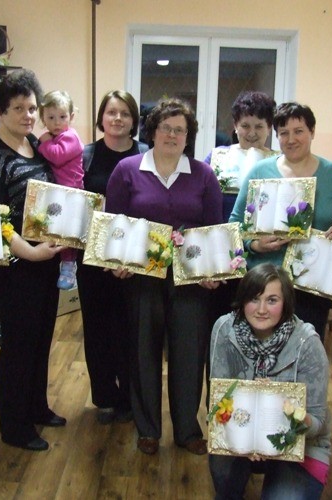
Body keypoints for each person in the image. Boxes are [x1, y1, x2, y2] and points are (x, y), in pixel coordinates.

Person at [105, 97, 223, 455]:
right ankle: (148, 429)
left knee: (189, 351)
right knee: (143, 350)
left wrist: (213, 270)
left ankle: (187, 430)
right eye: (166, 128)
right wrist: (116, 260)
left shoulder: (204, 175)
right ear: (152, 131)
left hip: (190, 279)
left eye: (180, 130)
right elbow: (113, 225)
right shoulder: (126, 170)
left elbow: (215, 229)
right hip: (142, 277)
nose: (172, 135)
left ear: (188, 136)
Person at [0, 69, 66, 452]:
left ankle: (36, 407)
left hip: (44, 260)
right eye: (18, 109)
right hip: (17, 265)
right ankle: (15, 426)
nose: (28, 116)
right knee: (18, 346)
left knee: (41, 338)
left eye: (31, 108)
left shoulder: (32, 144)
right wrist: (29, 251)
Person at [229, 102, 332, 340]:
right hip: (263, 281)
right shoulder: (259, 172)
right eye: (283, 133)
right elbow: (236, 221)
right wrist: (254, 245)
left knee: (305, 345)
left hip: (312, 281)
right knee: (261, 346)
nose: (291, 139)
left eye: (298, 131)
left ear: (312, 132)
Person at [209, 263, 331, 499]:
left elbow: (317, 423)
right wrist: (249, 440)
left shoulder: (307, 342)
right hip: (241, 430)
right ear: (243, 300)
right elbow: (219, 402)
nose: (262, 309)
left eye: (272, 300)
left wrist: (292, 414)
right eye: (254, 299)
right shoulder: (224, 329)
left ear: (286, 303)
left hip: (300, 444)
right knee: (224, 478)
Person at [78, 90, 148, 425]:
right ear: (101, 118)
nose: (117, 118)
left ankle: (130, 398)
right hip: (93, 257)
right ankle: (104, 396)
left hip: (134, 258)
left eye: (124, 113)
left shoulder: (145, 155)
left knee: (130, 329)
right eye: (111, 112)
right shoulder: (85, 155)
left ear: (134, 120)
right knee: (97, 328)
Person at [204, 91, 277, 221]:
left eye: (259, 127)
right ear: (235, 125)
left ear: (269, 128)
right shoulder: (217, 158)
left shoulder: (278, 162)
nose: (252, 133)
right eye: (245, 126)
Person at [38, 90, 85, 290]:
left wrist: (43, 142)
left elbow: (57, 156)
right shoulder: (56, 136)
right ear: (43, 119)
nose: (57, 122)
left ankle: (68, 265)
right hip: (59, 194)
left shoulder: (71, 137)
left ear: (71, 117)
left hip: (72, 193)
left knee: (69, 233)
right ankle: (62, 263)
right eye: (51, 118)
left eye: (62, 117)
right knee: (57, 229)